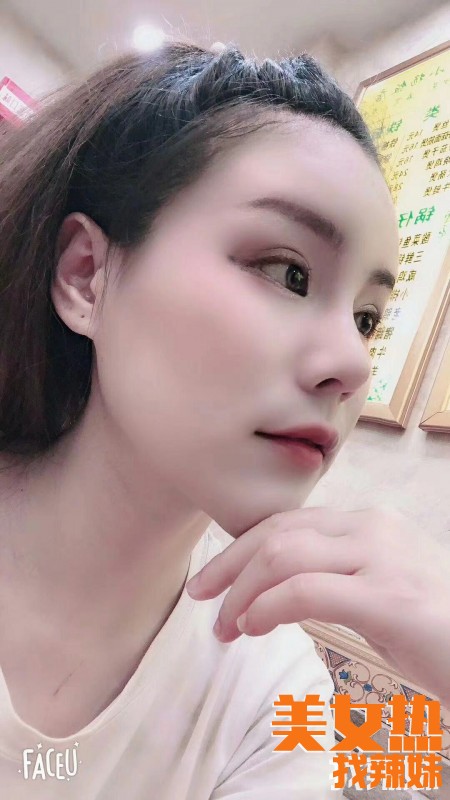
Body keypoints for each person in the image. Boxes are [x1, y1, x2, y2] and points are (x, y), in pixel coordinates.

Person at [0, 39, 448, 799]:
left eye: (368, 319)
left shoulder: (271, 690)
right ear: (86, 276)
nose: (352, 362)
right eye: (288, 272)